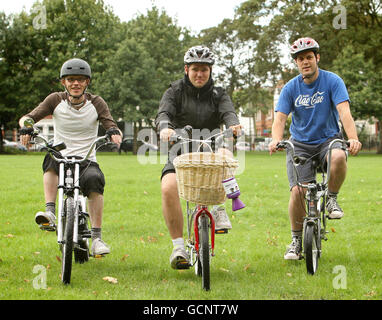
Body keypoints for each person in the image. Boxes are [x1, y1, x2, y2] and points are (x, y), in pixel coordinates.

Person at [268, 37, 362, 260]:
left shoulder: (332, 81)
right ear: (297, 63)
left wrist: (353, 138)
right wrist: (275, 139)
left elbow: (344, 112)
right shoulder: (290, 88)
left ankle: (331, 197)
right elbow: (280, 119)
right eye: (300, 59)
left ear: (317, 58)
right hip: (300, 145)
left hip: (328, 140)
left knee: (339, 155)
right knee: (298, 191)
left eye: (309, 57)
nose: (305, 62)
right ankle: (296, 241)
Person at [19, 58, 122, 256]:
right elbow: (29, 117)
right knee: (51, 158)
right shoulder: (55, 100)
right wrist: (27, 126)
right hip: (61, 155)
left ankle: (97, 238)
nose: (76, 83)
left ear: (87, 82)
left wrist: (114, 132)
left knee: (95, 179)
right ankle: (50, 211)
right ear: (63, 82)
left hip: (86, 159)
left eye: (80, 80)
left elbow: (110, 123)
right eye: (71, 79)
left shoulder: (96, 102)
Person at [155, 45, 242, 269]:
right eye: (195, 69)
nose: (200, 74)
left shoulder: (218, 94)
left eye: (204, 69)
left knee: (225, 154)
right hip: (181, 150)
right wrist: (165, 128)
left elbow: (228, 112)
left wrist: (233, 125)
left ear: (210, 70)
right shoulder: (174, 91)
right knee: (168, 187)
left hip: (211, 148)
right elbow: (164, 113)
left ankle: (220, 209)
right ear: (186, 69)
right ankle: (178, 247)